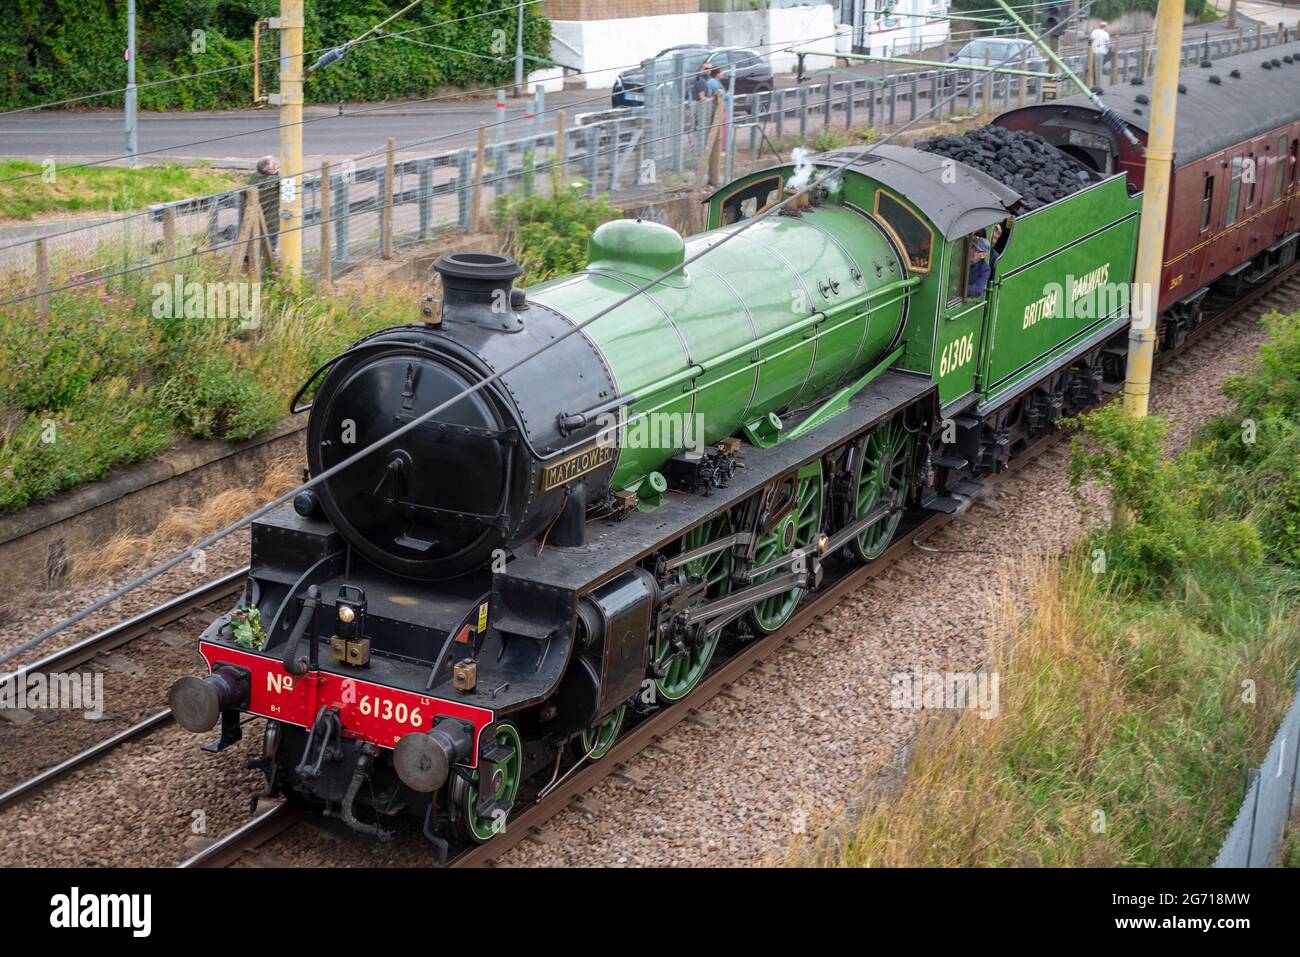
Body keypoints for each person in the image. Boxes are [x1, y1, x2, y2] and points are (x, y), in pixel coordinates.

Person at [250, 155, 280, 251]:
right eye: (274, 164)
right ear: (268, 169)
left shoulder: (254, 178)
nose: (277, 166)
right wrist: (277, 175)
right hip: (271, 223)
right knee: (270, 249)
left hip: (254, 222)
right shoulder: (274, 180)